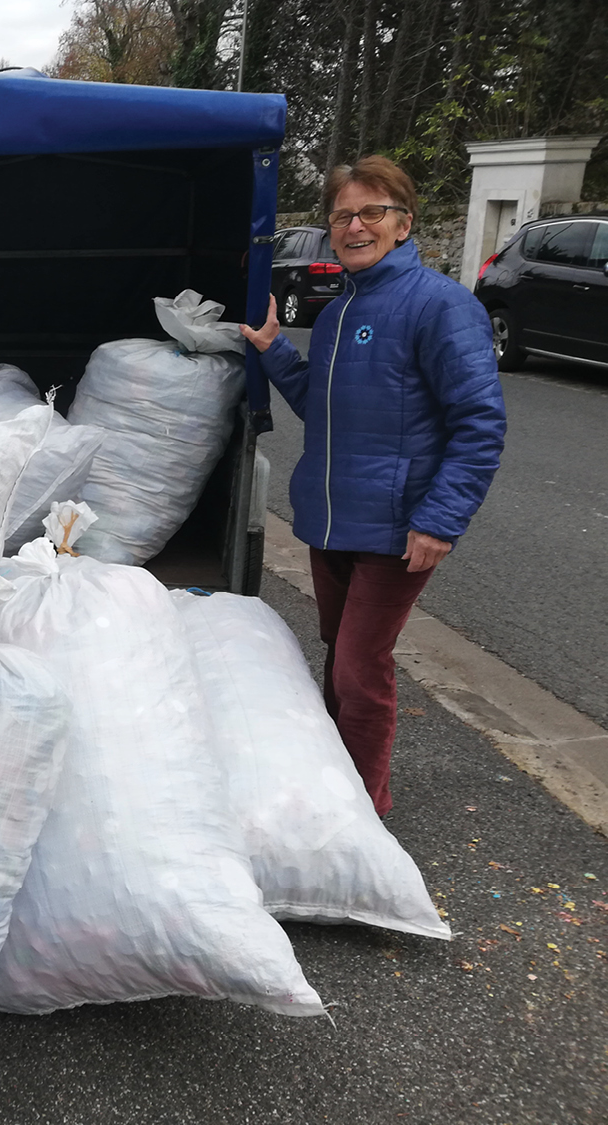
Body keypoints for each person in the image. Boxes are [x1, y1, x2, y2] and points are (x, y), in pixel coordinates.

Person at [240, 154, 506, 817]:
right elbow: (319, 403)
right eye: (342, 215)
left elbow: (479, 422)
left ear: (403, 222)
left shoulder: (443, 307)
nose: (355, 226)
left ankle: (361, 814)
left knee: (361, 669)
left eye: (371, 212)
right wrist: (274, 349)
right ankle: (335, 778)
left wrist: (441, 519)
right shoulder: (335, 315)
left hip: (398, 529)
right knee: (340, 658)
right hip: (331, 522)